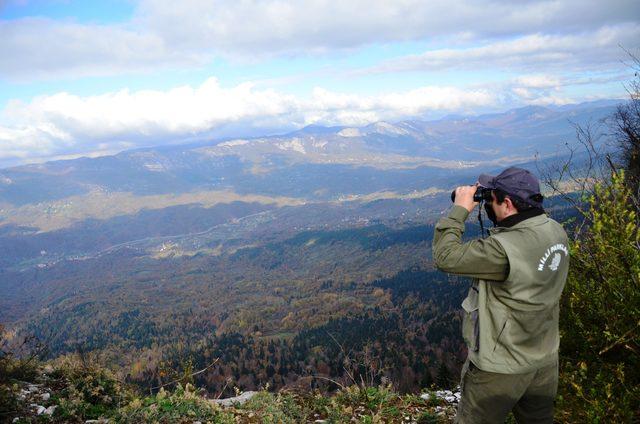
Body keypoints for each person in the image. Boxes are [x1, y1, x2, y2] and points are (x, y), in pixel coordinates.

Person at [432, 167, 569, 423]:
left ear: (507, 203)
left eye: (491, 199)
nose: (488, 206)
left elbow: (444, 257)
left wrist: (460, 209)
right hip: (544, 360)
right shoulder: (555, 231)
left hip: (501, 368)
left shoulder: (502, 249)